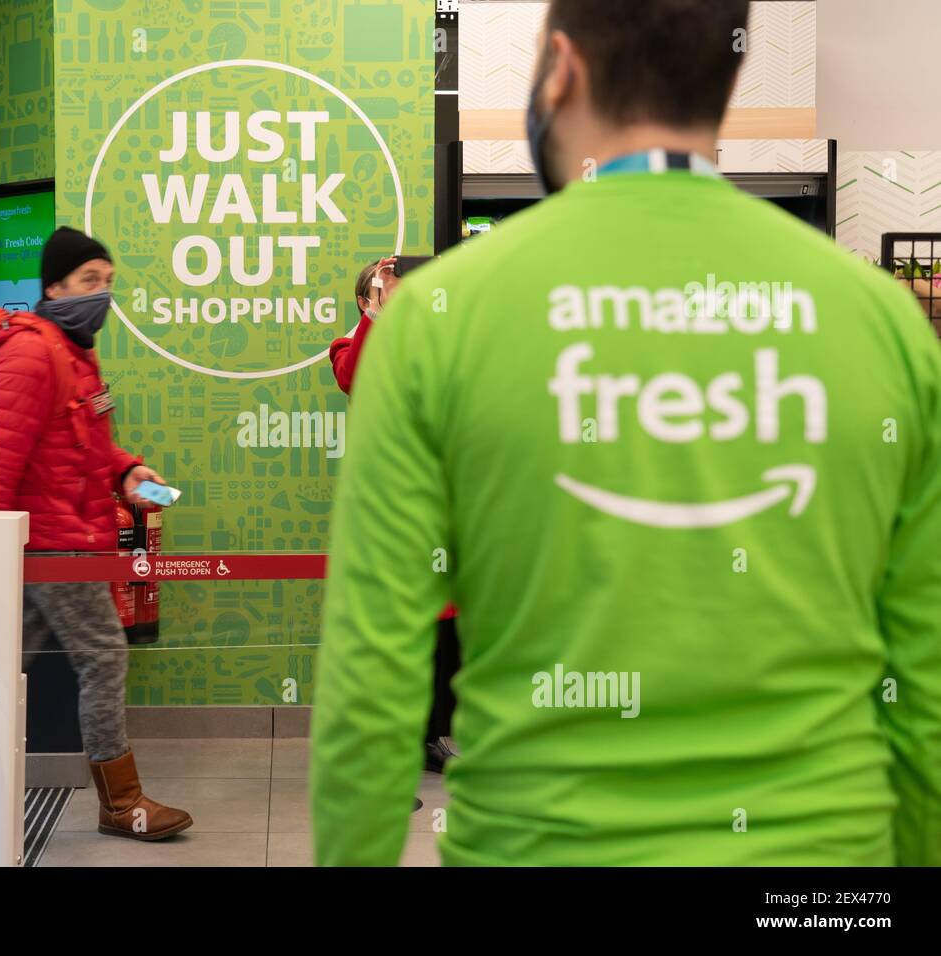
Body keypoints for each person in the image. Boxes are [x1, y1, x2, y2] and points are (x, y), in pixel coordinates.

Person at [312, 0, 941, 866]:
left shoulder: (434, 321)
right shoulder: (884, 322)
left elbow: (371, 675)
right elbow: (924, 667)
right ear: (726, 73)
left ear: (561, 69)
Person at [0, 226, 193, 841]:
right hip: (50, 546)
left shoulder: (71, 350)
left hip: (59, 541)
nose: (103, 294)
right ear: (55, 285)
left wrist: (126, 471)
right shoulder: (31, 352)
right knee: (103, 655)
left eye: (109, 282)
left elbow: (86, 446)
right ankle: (122, 803)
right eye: (90, 281)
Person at [330, 257, 460, 776]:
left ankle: (438, 734)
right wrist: (377, 317)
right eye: (387, 293)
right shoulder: (349, 347)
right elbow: (354, 378)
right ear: (368, 302)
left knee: (448, 626)